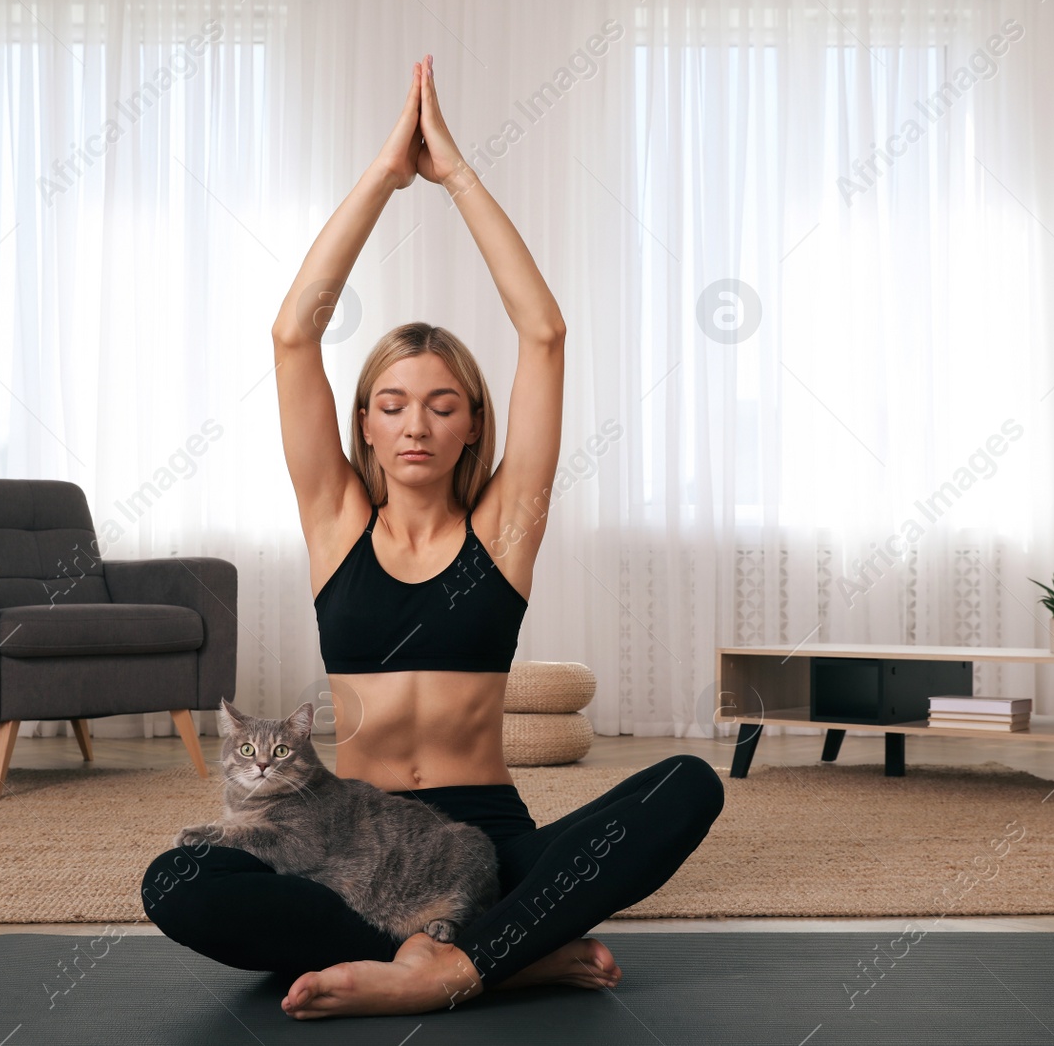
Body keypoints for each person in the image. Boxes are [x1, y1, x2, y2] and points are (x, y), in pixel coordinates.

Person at [141, 53, 723, 1020]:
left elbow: (544, 333)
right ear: (363, 422)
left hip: (485, 839)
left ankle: (448, 964)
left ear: (470, 426)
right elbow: (295, 333)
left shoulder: (505, 527)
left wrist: (454, 174)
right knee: (176, 881)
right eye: (393, 403)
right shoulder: (335, 523)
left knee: (687, 784)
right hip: (345, 839)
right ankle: (504, 957)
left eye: (442, 405)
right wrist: (383, 174)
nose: (416, 423)